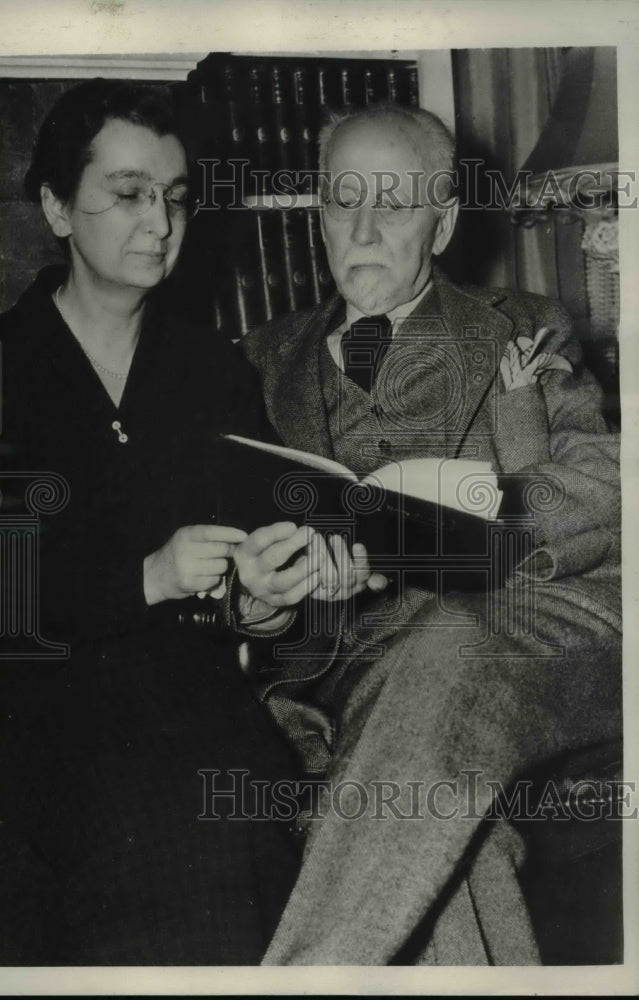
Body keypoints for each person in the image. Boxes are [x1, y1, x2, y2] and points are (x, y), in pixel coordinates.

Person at [236, 104, 622, 964]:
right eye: (343, 202)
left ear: (442, 222)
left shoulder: (522, 326)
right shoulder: (258, 360)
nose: (364, 229)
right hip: (353, 672)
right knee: (447, 838)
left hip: (529, 625)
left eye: (396, 204)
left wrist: (488, 514)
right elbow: (224, 554)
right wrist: (263, 593)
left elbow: (603, 484)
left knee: (447, 642)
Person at [0, 78, 315, 965]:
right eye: (128, 193)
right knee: (168, 833)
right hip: (40, 699)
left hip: (188, 689)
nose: (160, 221)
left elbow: (254, 555)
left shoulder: (214, 369)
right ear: (57, 207)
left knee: (252, 812)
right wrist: (148, 573)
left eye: (176, 198)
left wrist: (262, 599)